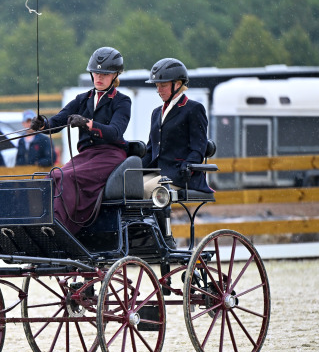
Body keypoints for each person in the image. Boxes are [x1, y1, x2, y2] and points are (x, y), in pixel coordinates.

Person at [30, 46, 132, 234]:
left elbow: (116, 132)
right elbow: (57, 122)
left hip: (110, 156)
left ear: (115, 75)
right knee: (51, 177)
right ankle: (38, 225)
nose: (99, 77)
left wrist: (88, 124)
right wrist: (42, 124)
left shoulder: (122, 101)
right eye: (95, 73)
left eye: (105, 74)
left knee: (67, 177)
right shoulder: (82, 99)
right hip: (86, 156)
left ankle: (61, 228)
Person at [142, 58, 212, 199]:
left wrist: (186, 167)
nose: (159, 90)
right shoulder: (156, 113)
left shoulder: (193, 109)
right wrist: (133, 166)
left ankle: (148, 221)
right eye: (157, 86)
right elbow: (151, 150)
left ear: (178, 84)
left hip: (180, 174)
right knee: (128, 185)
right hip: (158, 171)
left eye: (163, 86)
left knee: (146, 189)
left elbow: (198, 149)